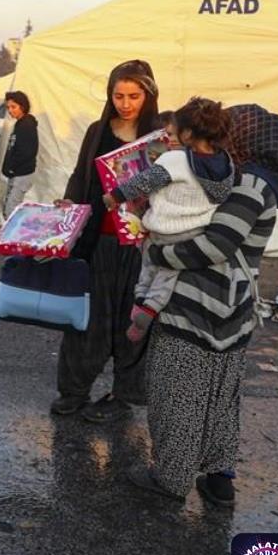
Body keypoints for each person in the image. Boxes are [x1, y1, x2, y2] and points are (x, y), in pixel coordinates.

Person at [127, 104, 278, 504]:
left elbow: (216, 244)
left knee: (179, 393)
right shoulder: (253, 181)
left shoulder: (251, 185)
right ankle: (219, 479)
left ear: (248, 139)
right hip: (232, 311)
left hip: (198, 306)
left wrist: (157, 254)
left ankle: (170, 477)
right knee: (221, 398)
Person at [50, 60, 160, 422]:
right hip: (100, 242)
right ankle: (74, 391)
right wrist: (71, 204)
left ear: (149, 95)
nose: (126, 103)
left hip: (143, 247)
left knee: (133, 322)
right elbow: (82, 175)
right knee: (89, 319)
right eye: (118, 95)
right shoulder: (99, 131)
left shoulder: (160, 137)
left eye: (134, 96)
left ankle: (124, 395)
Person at [103, 98, 235, 343]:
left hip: (162, 231)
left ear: (187, 133)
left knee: (149, 266)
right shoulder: (226, 163)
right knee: (168, 275)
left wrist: (115, 196)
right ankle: (149, 308)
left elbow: (144, 181)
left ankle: (142, 303)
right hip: (194, 234)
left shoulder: (176, 160)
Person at [0, 91, 39, 220]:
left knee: (12, 208)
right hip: (17, 172)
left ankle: (14, 236)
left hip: (22, 173)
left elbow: (28, 151)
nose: (10, 111)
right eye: (8, 107)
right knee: (9, 206)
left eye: (13, 107)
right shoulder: (20, 123)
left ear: (22, 106)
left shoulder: (27, 124)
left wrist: (13, 167)